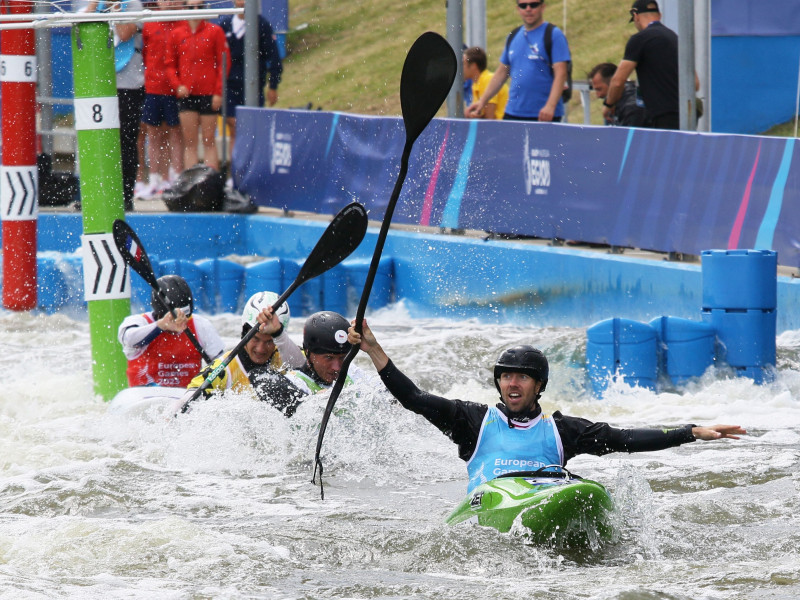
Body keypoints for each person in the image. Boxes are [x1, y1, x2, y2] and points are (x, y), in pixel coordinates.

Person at [348, 320, 746, 493]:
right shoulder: (472, 420)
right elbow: (414, 399)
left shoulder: (562, 431)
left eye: (522, 377)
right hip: (491, 500)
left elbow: (624, 438)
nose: (512, 383)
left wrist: (690, 432)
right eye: (506, 376)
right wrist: (374, 350)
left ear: (539, 386)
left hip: (546, 495)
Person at [169, 291, 305, 414]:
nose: (260, 349)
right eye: (255, 339)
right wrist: (177, 410)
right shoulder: (223, 369)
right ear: (244, 333)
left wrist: (278, 334)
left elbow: (306, 369)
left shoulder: (289, 356)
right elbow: (188, 398)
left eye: (269, 341)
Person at [78, 0, 146, 211]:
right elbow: (78, 28)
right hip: (98, 81)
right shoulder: (94, 4)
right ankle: (95, 195)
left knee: (125, 141)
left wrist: (115, 8)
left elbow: (124, 33)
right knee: (96, 138)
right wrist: (94, 7)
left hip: (128, 84)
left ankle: (125, 196)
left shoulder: (133, 5)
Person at [465, 0, 570, 122]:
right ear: (518, 9)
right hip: (513, 113)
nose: (528, 9)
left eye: (533, 5)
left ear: (542, 7)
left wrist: (550, 106)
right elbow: (502, 72)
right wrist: (482, 101)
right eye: (523, 6)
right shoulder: (513, 36)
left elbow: (561, 73)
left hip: (544, 115)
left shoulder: (554, 35)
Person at [249, 311, 370, 416]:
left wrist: (373, 348)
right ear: (307, 352)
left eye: (342, 358)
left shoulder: (353, 373)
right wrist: (315, 402)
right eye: (329, 358)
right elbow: (258, 376)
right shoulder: (297, 383)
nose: (337, 367)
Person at [604, 0, 697, 130]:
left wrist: (609, 105)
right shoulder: (675, 38)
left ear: (636, 16)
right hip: (687, 115)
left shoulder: (640, 39)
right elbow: (695, 83)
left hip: (662, 116)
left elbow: (618, 81)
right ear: (659, 15)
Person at [118, 274, 224, 387]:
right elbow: (128, 340)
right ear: (160, 314)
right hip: (145, 395)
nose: (181, 322)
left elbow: (222, 365)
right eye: (174, 318)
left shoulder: (201, 325)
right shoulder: (139, 322)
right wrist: (161, 325)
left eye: (186, 316)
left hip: (187, 394)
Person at [165, 0, 231, 170]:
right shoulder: (177, 34)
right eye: (191, 7)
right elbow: (170, 64)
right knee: (190, 142)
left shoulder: (214, 31)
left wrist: (218, 92)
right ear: (185, 8)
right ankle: (191, 181)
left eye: (199, 7)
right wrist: (177, 85)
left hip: (208, 93)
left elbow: (224, 63)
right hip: (187, 94)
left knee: (209, 140)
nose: (195, 10)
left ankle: (210, 179)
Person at [218, 0, 283, 169]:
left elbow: (274, 57)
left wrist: (273, 85)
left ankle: (249, 169)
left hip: (253, 86)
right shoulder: (225, 25)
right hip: (230, 86)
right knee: (235, 127)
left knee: (251, 130)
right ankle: (236, 171)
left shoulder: (261, 25)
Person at [138, 0, 185, 199]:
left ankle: (175, 177)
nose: (169, 2)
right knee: (154, 134)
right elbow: (145, 54)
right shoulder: (150, 24)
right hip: (154, 88)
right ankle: (154, 179)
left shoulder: (184, 23)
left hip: (176, 90)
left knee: (175, 133)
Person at [588, 62, 646, 127]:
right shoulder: (612, 104)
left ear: (613, 85)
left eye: (599, 89)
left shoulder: (631, 108)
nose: (598, 95)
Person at [462, 46, 508, 120]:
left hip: (505, 125)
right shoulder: (476, 83)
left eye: (463, 64)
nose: (460, 68)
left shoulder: (487, 79)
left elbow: (490, 119)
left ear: (474, 66)